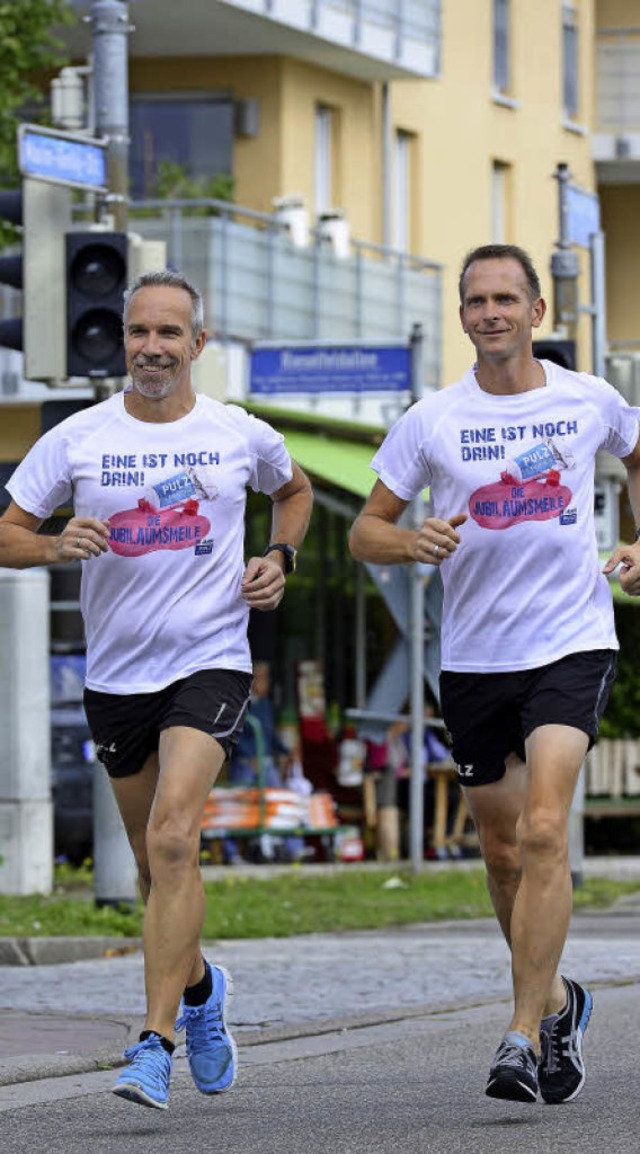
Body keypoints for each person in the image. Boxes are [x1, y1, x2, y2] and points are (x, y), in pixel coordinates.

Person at [0, 268, 313, 1111]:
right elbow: (6, 535)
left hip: (209, 660)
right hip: (117, 677)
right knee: (152, 866)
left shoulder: (236, 433)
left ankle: (153, 1042)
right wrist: (54, 546)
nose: (151, 348)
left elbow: (295, 492)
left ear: (198, 344)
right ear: (124, 341)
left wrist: (279, 558)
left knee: (176, 838)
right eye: (140, 332)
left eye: (170, 333)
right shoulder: (77, 439)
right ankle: (204, 990)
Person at [349, 243, 640, 1104]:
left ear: (537, 313)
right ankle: (558, 1003)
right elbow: (367, 530)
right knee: (505, 853)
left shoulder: (587, 399)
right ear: (464, 316)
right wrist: (409, 542)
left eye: (506, 299)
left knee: (546, 831)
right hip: (474, 657)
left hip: (570, 641)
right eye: (476, 301)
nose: (490, 313)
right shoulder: (433, 419)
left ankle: (518, 1036)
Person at [223, 660, 301, 864]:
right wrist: (250, 756)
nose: (266, 683)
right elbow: (233, 735)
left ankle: (293, 847)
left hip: (266, 761)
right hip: (246, 762)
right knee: (239, 804)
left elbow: (269, 734)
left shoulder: (265, 705)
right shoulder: (239, 703)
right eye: (262, 678)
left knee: (280, 800)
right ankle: (232, 853)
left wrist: (286, 751)